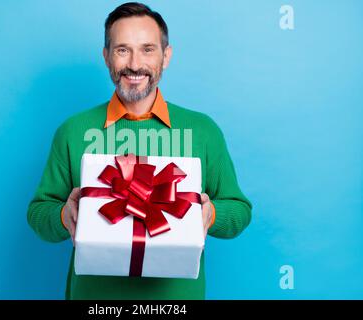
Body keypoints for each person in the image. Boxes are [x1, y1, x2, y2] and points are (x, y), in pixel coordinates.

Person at [27, 2, 252, 299]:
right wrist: (62, 216)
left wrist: (211, 214)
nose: (134, 64)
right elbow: (38, 212)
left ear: (166, 56)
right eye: (122, 50)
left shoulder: (203, 130)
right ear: (106, 57)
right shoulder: (73, 131)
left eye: (147, 49)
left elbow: (239, 209)